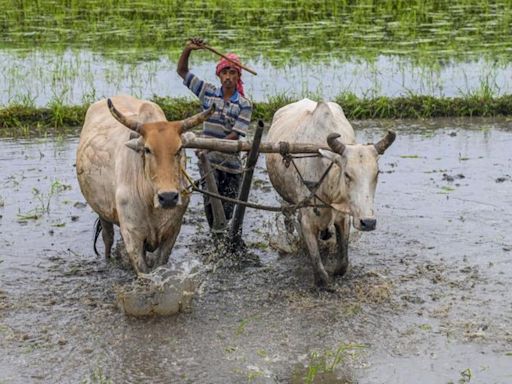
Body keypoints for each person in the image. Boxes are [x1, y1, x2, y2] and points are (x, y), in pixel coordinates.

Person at [177, 37, 252, 229]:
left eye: (232, 72)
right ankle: (215, 237)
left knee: (230, 209)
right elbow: (182, 71)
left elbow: (236, 135)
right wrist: (188, 50)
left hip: (231, 164)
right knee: (211, 206)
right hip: (208, 162)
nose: (228, 76)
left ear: (238, 77)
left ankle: (226, 238)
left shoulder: (244, 104)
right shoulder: (208, 93)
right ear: (219, 76)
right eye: (224, 72)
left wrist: (208, 147)